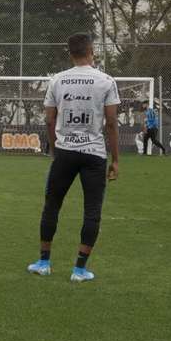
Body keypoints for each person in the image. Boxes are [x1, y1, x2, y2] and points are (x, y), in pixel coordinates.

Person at [26, 33, 120, 283]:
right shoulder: (106, 81)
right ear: (92, 52)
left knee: (52, 206)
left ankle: (44, 263)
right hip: (94, 155)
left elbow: (49, 119)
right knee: (92, 211)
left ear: (70, 54)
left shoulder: (57, 80)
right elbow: (111, 123)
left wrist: (56, 149)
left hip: (65, 153)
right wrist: (116, 160)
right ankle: (79, 270)